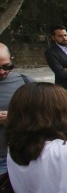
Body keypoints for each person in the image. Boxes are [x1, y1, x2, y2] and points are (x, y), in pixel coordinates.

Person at [0, 43, 35, 175]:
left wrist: (14, 118)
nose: (2, 71)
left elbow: (44, 114)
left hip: (20, 155)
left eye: (7, 66)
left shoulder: (25, 82)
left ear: (12, 60)